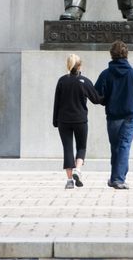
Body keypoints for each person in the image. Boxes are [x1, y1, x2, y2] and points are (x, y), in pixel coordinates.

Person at [94, 40, 133, 189]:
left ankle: (115, 178)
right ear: (126, 54)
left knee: (116, 147)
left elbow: (96, 94)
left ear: (111, 54)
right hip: (130, 116)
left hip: (113, 116)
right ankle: (118, 179)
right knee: (123, 146)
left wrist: (106, 102)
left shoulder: (106, 74)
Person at [53, 53, 103, 189]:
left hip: (63, 120)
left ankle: (69, 181)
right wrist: (109, 96)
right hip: (80, 120)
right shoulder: (84, 81)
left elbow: (56, 102)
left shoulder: (62, 81)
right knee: (81, 147)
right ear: (80, 65)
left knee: (67, 148)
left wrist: (55, 121)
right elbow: (97, 99)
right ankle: (78, 170)